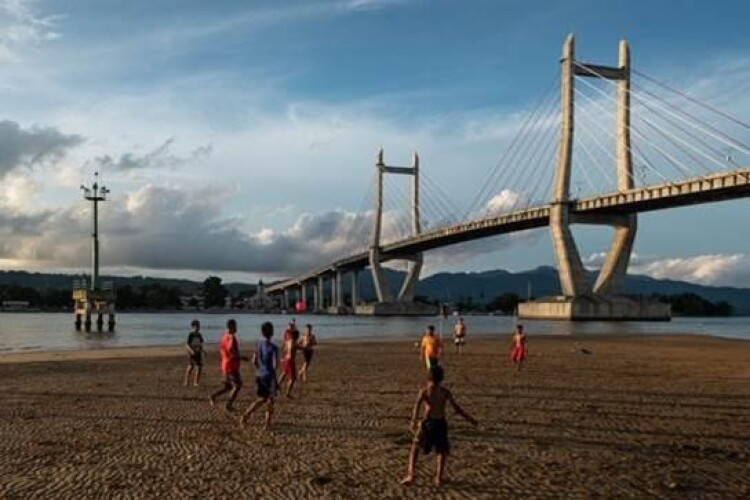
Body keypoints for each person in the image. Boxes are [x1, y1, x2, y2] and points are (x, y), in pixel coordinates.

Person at [400, 365, 478, 487]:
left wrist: (413, 421)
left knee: (415, 447)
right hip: (440, 423)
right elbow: (457, 408)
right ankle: (438, 478)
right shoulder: (445, 392)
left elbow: (417, 407)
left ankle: (411, 474)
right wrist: (470, 419)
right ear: (441, 378)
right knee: (441, 451)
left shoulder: (425, 391)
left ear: (428, 377)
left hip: (428, 423)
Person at [240, 321, 279, 431]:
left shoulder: (258, 344)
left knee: (261, 399)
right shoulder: (273, 347)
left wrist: (259, 369)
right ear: (272, 332)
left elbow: (254, 361)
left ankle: (247, 416)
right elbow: (275, 365)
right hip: (270, 377)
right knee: (269, 400)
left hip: (260, 375)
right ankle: (266, 423)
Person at [209, 319, 244, 411]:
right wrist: (241, 357)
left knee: (228, 387)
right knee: (237, 385)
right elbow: (231, 349)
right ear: (231, 327)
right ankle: (228, 405)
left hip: (225, 365)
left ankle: (213, 396)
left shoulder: (224, 337)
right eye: (235, 326)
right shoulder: (232, 337)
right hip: (231, 366)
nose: (237, 328)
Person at [278, 322, 300, 397]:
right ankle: (288, 393)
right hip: (290, 361)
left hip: (286, 359)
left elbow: (285, 349)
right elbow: (299, 347)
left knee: (284, 373)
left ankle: (277, 385)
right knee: (293, 378)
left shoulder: (288, 341)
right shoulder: (293, 342)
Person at [184, 319, 205, 386]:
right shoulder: (191, 335)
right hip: (191, 353)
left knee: (199, 367)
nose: (199, 327)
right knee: (191, 366)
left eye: (199, 326)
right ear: (193, 326)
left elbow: (200, 344)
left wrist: (203, 351)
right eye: (197, 326)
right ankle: (186, 381)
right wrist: (191, 351)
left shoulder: (199, 335)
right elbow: (187, 345)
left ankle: (196, 382)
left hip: (198, 352)